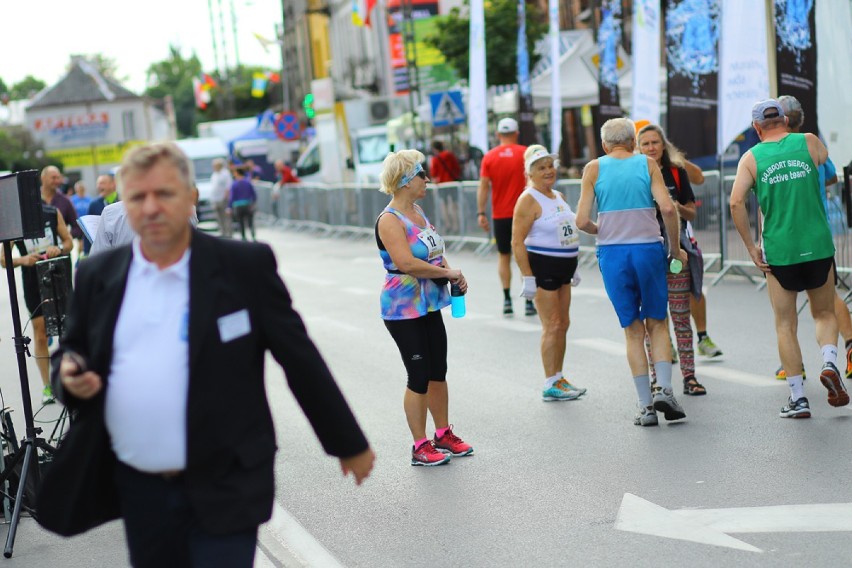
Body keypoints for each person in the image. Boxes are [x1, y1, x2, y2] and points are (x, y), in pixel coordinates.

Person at [41, 142, 375, 566]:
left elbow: (299, 357)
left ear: (189, 198)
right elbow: (71, 353)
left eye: (164, 194)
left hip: (227, 479)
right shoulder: (98, 275)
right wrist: (69, 376)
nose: (151, 207)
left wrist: (347, 442)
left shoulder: (243, 266)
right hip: (140, 488)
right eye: (138, 197)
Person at [730, 99, 848, 419]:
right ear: (785, 119)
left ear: (756, 128)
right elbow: (827, 169)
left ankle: (798, 399)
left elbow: (736, 202)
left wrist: (751, 249)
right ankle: (828, 362)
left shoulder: (751, 159)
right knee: (824, 312)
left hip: (779, 251)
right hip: (818, 245)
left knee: (785, 324)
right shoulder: (809, 142)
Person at [575, 117, 687, 427]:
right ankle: (665, 389)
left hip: (613, 253)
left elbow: (582, 221)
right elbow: (667, 208)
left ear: (604, 145)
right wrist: (675, 249)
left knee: (632, 330)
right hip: (648, 249)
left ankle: (645, 407)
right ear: (633, 142)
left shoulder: (593, 169)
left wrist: (605, 230)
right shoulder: (647, 164)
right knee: (658, 323)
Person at [376, 150, 473, 466]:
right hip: (403, 308)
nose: (427, 180)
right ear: (405, 181)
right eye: (421, 175)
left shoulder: (418, 211)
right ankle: (420, 446)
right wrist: (446, 274)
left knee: (437, 371)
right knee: (418, 375)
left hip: (429, 303)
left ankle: (443, 434)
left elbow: (432, 251)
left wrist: (451, 270)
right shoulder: (390, 220)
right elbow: (406, 262)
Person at [772, 94, 852, 381]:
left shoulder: (769, 149)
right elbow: (830, 175)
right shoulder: (812, 142)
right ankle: (845, 351)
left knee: (784, 316)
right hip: (817, 232)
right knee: (825, 302)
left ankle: (794, 368)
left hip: (783, 238)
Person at [511, 145, 587, 401]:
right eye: (541, 168)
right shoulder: (528, 199)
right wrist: (527, 277)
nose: (548, 171)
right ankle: (549, 382)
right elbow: (517, 242)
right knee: (551, 324)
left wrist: (574, 266)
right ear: (530, 173)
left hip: (564, 268)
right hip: (542, 268)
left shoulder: (559, 196)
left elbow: (567, 233)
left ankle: (559, 376)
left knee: (564, 323)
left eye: (550, 166)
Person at [637, 124, 707, 396]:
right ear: (638, 148)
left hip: (676, 253)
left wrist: (672, 207)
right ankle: (657, 379)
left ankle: (689, 377)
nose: (651, 148)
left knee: (681, 318)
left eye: (655, 143)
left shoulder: (676, 173)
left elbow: (691, 213)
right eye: (646, 144)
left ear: (663, 146)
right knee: (654, 322)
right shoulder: (636, 174)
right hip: (647, 255)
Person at [0, 202, 73, 404]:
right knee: (40, 333)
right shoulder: (16, 220)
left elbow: (69, 243)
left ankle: (71, 379)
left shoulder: (51, 212)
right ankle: (47, 386)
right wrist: (23, 259)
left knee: (67, 329)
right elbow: (4, 260)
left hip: (57, 275)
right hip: (32, 280)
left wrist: (58, 248)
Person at [476, 117, 535, 317]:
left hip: (500, 215)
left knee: (504, 256)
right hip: (525, 213)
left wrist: (481, 212)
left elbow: (483, 186)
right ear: (517, 133)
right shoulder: (525, 154)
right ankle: (529, 301)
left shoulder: (489, 157)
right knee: (524, 255)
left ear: (498, 135)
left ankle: (507, 299)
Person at [84, 174, 120, 255]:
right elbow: (87, 231)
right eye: (98, 184)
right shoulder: (94, 204)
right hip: (101, 250)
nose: (99, 186)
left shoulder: (122, 201)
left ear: (113, 184)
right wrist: (86, 252)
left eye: (102, 183)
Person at [430, 140, 461, 234]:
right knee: (454, 205)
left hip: (442, 185)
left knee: (444, 205)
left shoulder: (435, 159)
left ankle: (448, 225)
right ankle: (456, 225)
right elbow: (457, 168)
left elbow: (433, 174)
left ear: (435, 149)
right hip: (452, 183)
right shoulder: (450, 155)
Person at [229, 166, 257, 241]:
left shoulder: (234, 184)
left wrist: (229, 207)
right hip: (248, 204)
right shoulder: (248, 182)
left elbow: (232, 196)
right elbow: (253, 194)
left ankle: (243, 237)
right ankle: (253, 236)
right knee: (250, 222)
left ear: (237, 173)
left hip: (238, 206)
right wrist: (253, 203)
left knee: (241, 222)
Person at [210, 158, 232, 238]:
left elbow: (228, 186)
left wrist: (226, 197)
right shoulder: (214, 174)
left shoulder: (225, 174)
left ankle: (228, 234)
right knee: (219, 218)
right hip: (215, 199)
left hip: (223, 199)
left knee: (225, 217)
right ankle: (222, 232)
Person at [70, 181, 92, 258]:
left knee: (86, 243)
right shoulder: (73, 200)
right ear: (76, 189)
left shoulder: (89, 199)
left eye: (82, 188)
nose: (81, 190)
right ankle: (79, 259)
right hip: (78, 224)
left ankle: (85, 257)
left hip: (87, 225)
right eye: (79, 188)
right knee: (80, 244)